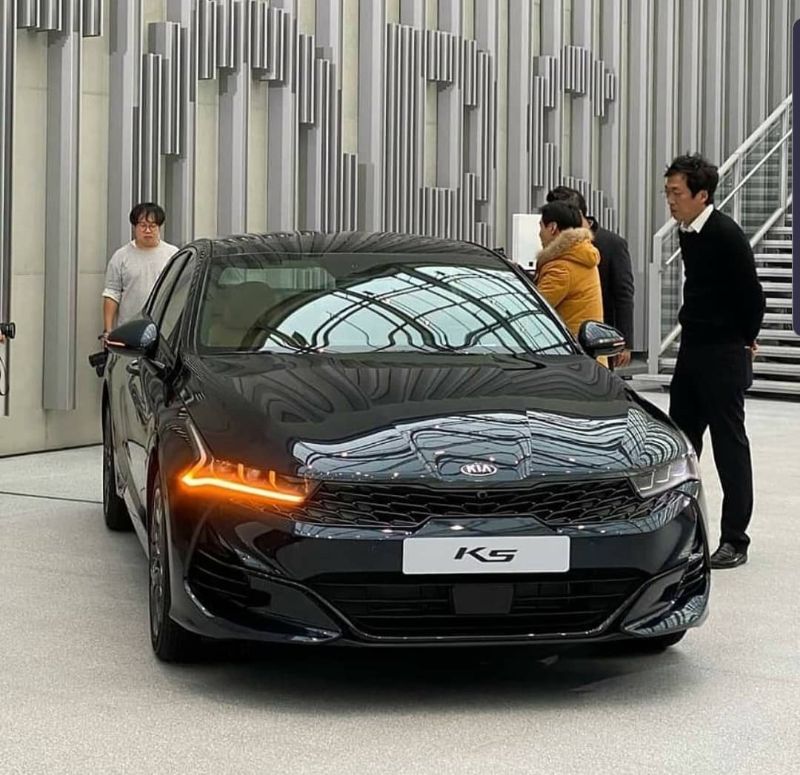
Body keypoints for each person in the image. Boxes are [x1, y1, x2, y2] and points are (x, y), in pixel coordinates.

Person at [664, 153, 765, 570]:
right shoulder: (688, 232)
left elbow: (752, 296)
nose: (670, 201)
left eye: (676, 193)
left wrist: (744, 338)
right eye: (668, 192)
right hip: (692, 349)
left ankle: (735, 539)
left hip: (723, 352)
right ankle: (678, 532)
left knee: (729, 445)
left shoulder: (726, 234)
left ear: (701, 195)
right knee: (680, 443)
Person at [546, 186, 634, 368]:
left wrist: (625, 342)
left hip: (601, 337)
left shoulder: (612, 243)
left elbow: (623, 294)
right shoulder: (553, 244)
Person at [534, 201, 604, 347]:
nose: (539, 234)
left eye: (541, 227)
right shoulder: (580, 254)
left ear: (552, 228)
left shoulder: (561, 267)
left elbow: (533, 308)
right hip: (588, 350)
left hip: (567, 352)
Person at [102, 202, 178, 338]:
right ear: (134, 227)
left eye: (152, 226)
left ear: (159, 227)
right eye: (143, 225)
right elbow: (112, 293)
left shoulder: (173, 255)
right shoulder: (121, 256)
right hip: (129, 330)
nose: (147, 230)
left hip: (165, 332)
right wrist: (108, 330)